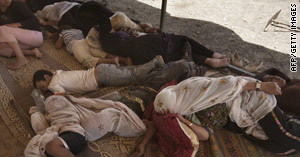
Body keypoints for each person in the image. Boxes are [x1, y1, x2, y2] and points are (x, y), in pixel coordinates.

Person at [134, 75, 300, 157]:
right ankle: (292, 121)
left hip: (250, 98)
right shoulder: (184, 110)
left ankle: (288, 123)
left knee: (282, 134)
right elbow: (159, 121)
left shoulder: (193, 90)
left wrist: (260, 85)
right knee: (278, 147)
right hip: (237, 117)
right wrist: (143, 143)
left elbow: (228, 83)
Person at [25, 93, 147, 157]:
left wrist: (143, 143)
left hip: (76, 134)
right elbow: (92, 104)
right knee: (41, 143)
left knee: (51, 146)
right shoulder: (114, 105)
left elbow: (146, 127)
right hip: (68, 126)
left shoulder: (131, 116)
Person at [97, 15, 230, 67]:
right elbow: (137, 31)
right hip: (148, 45)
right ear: (109, 28)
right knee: (184, 40)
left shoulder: (107, 43)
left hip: (143, 53)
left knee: (178, 52)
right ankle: (212, 54)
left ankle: (208, 61)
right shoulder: (116, 35)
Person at [32, 56, 202, 95]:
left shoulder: (54, 82)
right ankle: (185, 64)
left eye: (42, 87)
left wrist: (47, 99)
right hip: (102, 71)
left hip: (103, 76)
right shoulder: (59, 74)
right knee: (143, 75)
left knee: (137, 76)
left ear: (47, 78)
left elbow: (59, 96)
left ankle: (155, 61)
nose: (45, 90)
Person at [54, 27, 132, 68]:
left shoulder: (63, 32)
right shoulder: (78, 30)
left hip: (76, 44)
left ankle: (112, 61)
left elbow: (57, 46)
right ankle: (124, 59)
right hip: (85, 41)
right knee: (101, 53)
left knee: (86, 59)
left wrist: (59, 36)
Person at [0, 0, 43, 69]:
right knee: (1, 49)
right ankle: (31, 52)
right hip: (21, 38)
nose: (7, 0)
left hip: (35, 35)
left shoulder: (17, 5)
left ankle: (21, 58)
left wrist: (17, 24)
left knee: (2, 28)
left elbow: (34, 19)